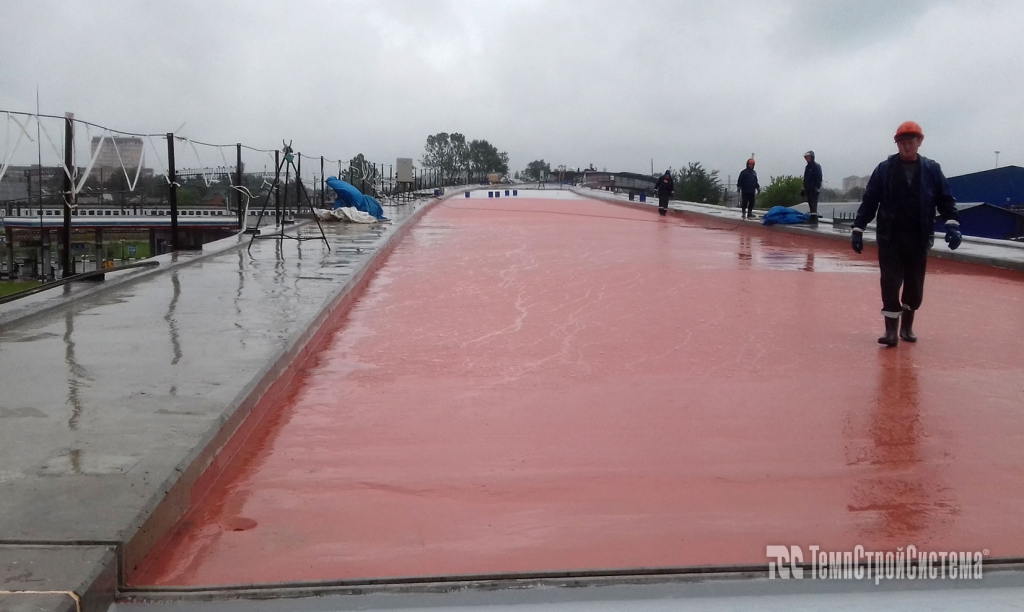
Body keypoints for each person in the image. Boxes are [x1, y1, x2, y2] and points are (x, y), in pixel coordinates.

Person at [850, 121, 961, 346]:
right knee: (890, 283)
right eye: (902, 143)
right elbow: (870, 200)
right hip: (890, 237)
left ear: (919, 142)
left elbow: (945, 200)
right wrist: (858, 228)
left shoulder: (932, 170)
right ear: (897, 144)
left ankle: (907, 327)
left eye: (910, 142)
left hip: (919, 237)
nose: (906, 147)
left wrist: (952, 224)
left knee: (914, 285)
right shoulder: (884, 169)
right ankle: (891, 331)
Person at [801, 151, 822, 222]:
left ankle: (814, 218)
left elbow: (819, 178)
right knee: (810, 203)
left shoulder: (816, 166)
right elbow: (805, 178)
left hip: (813, 188)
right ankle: (812, 217)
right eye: (806, 157)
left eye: (808, 157)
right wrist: (804, 188)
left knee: (813, 204)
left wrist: (817, 187)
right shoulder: (807, 167)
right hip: (808, 188)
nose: (807, 159)